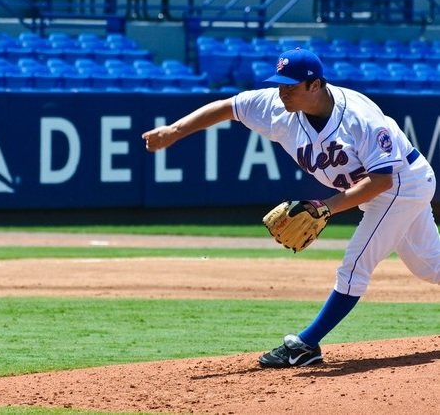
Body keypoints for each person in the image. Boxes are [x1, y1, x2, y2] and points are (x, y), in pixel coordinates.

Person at [142, 47, 440, 367]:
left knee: (354, 266)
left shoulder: (359, 118)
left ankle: (306, 344)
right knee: (430, 267)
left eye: (291, 86)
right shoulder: (277, 106)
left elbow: (383, 181)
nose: (282, 92)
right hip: (385, 192)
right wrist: (174, 131)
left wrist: (323, 207)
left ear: (315, 85)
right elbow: (228, 107)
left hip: (401, 186)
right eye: (280, 83)